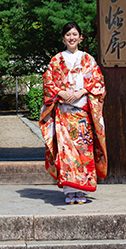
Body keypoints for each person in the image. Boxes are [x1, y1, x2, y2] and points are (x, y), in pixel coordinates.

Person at [39, 22, 107, 204]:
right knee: (66, 152)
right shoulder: (56, 60)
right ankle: (69, 190)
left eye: (75, 34)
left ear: (80, 37)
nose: (72, 37)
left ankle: (82, 189)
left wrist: (81, 92)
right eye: (68, 35)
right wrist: (61, 93)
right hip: (64, 114)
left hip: (82, 113)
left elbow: (98, 82)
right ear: (63, 38)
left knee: (83, 151)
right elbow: (48, 83)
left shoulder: (88, 59)